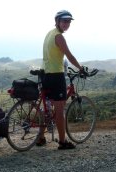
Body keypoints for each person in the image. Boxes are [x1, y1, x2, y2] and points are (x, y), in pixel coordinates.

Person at [36, 10, 83, 150]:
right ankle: (62, 142)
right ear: (57, 21)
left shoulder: (49, 33)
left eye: (69, 21)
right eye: (64, 21)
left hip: (45, 74)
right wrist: (80, 68)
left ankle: (41, 137)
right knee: (60, 110)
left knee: (48, 109)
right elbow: (69, 56)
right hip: (56, 76)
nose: (67, 24)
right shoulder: (59, 37)